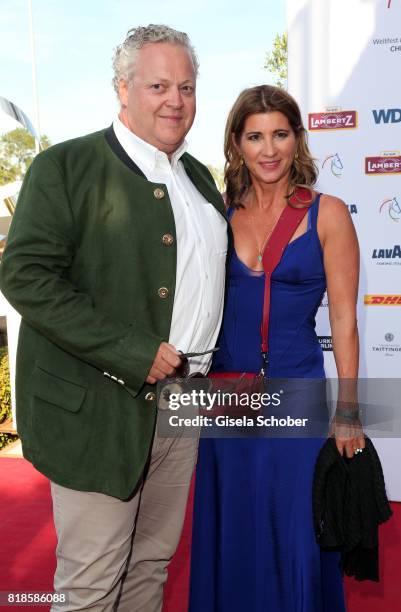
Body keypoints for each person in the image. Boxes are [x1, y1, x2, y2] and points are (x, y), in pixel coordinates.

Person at [0, 25, 227, 612]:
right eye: (158, 85)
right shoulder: (65, 167)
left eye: (186, 86)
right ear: (122, 90)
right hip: (99, 411)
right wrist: (131, 350)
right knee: (93, 583)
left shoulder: (199, 178)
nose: (175, 100)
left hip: (184, 404)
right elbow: (25, 277)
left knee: (150, 566)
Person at [189, 85, 363, 612]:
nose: (269, 149)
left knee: (294, 532)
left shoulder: (327, 214)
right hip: (225, 400)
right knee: (234, 529)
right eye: (255, 136)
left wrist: (348, 410)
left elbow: (344, 319)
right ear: (237, 143)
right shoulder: (216, 214)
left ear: (297, 139)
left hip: (297, 394)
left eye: (280, 134)